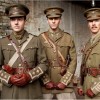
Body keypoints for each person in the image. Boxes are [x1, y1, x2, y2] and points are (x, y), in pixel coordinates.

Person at [0, 4, 47, 99]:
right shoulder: (2, 42)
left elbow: (44, 63)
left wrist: (29, 76)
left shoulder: (36, 40)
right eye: (13, 19)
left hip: (31, 90)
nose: (16, 23)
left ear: (25, 21)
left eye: (20, 19)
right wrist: (9, 78)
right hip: (10, 92)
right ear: (10, 22)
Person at [39, 7, 77, 99]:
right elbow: (38, 61)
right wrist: (46, 80)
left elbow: (73, 60)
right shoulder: (40, 38)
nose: (53, 21)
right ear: (47, 20)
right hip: (46, 84)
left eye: (56, 18)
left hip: (64, 83)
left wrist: (65, 81)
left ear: (60, 19)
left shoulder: (68, 38)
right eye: (50, 19)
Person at [77, 7, 100, 99]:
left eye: (97, 20)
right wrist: (80, 85)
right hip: (87, 89)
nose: (93, 24)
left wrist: (95, 90)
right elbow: (83, 68)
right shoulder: (88, 44)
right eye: (90, 21)